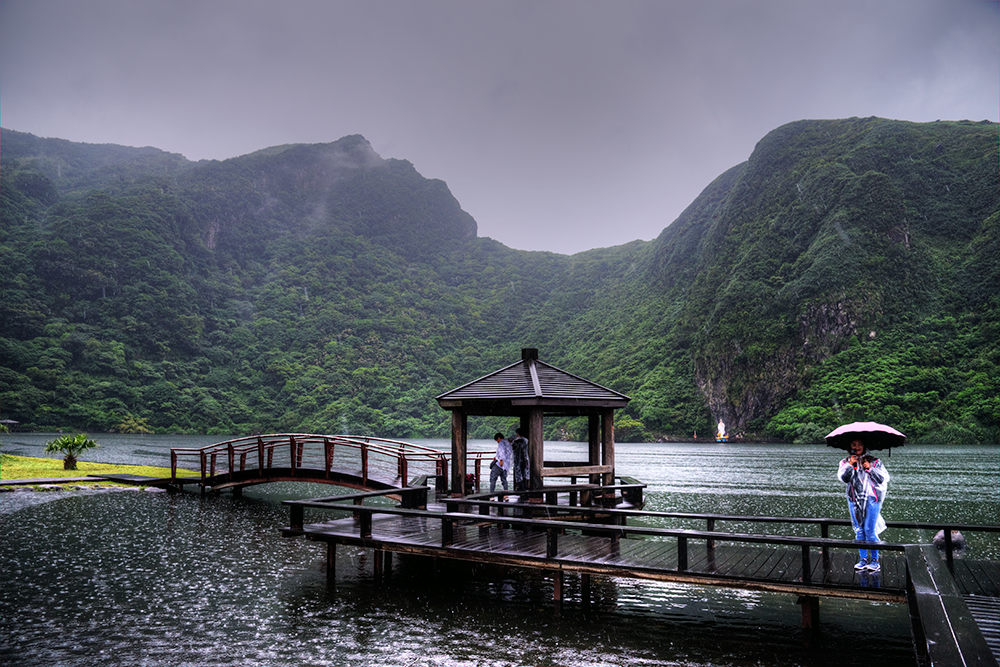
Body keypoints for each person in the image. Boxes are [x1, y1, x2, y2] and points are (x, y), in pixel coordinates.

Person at [838, 439, 889, 572]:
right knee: (859, 530)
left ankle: (875, 561)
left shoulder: (875, 461)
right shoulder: (845, 462)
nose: (857, 447)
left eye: (860, 444)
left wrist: (870, 468)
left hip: (871, 499)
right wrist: (850, 465)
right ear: (849, 446)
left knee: (869, 530)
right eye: (854, 444)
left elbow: (882, 479)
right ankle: (863, 559)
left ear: (864, 445)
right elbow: (844, 479)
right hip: (854, 500)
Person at [510, 427, 530, 493]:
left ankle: (521, 489)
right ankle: (525, 487)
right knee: (525, 473)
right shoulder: (526, 440)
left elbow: (513, 448)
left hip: (518, 460)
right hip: (525, 459)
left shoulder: (515, 442)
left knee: (518, 474)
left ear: (517, 433)